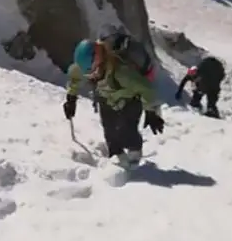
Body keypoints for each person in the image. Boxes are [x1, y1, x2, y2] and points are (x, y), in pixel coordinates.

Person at [64, 29, 164, 169]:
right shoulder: (84, 66)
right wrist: (71, 98)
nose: (92, 75)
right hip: (105, 98)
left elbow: (146, 89)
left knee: (128, 129)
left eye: (93, 69)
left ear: (98, 57)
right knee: (109, 130)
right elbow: (75, 76)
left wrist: (151, 111)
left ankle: (134, 154)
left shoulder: (122, 71)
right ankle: (116, 156)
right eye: (89, 72)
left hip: (130, 100)